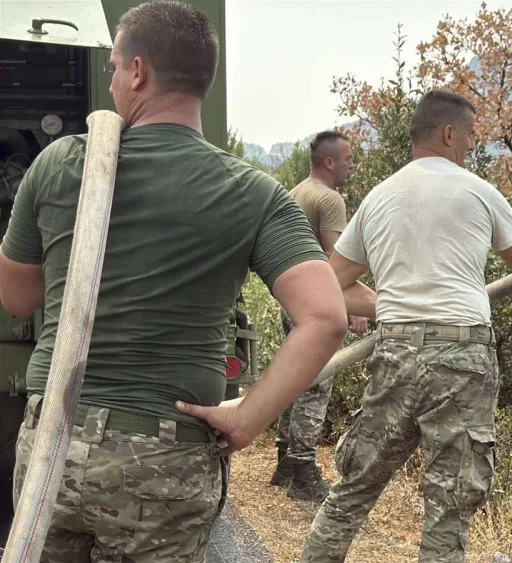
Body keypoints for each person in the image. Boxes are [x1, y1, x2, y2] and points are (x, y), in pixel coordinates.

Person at [0, 1, 358, 559]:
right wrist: (248, 418)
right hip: (167, 460)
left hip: (55, 450)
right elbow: (327, 318)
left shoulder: (60, 163)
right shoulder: (252, 191)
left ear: (138, 71)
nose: (114, 81)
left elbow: (17, 298)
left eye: (115, 67)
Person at [297, 89, 512, 562]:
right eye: (469, 135)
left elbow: (329, 285)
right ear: (448, 133)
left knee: (354, 490)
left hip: (397, 349)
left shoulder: (379, 198)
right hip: (462, 355)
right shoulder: (480, 193)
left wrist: (391, 305)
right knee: (449, 509)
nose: (470, 145)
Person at [271, 130, 371, 502]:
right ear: (329, 162)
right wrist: (350, 307)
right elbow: (335, 265)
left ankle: (284, 463)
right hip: (317, 305)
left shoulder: (297, 191)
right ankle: (302, 470)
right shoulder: (330, 200)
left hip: (291, 299)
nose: (351, 166)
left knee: (293, 377)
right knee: (316, 382)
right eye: (348, 159)